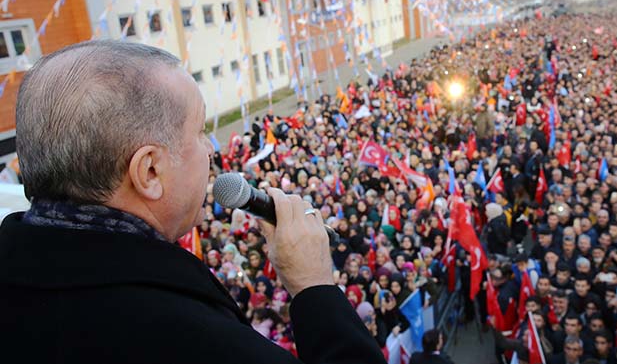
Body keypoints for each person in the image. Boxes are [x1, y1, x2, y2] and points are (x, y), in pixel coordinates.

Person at [0, 41, 385, 364]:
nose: (210, 152)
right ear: (149, 171)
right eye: (200, 132)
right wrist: (315, 288)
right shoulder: (193, 340)